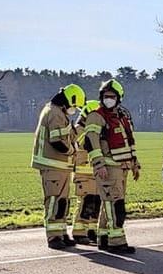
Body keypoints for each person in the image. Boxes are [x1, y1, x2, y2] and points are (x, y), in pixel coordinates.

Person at [83, 78, 139, 253]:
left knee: (110, 203)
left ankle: (104, 237)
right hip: (107, 167)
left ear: (119, 98)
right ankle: (117, 242)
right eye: (106, 96)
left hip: (122, 168)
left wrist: (135, 163)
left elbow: (129, 142)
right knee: (115, 205)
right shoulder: (96, 116)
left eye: (112, 96)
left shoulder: (121, 117)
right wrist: (99, 165)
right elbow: (90, 142)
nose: (109, 99)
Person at [32, 84, 86, 249]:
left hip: (60, 166)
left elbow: (68, 134)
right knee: (55, 201)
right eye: (74, 105)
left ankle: (61, 232)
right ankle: (53, 237)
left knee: (62, 202)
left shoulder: (58, 112)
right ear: (69, 101)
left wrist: (81, 123)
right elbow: (58, 141)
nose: (74, 109)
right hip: (53, 164)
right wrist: (73, 150)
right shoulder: (55, 113)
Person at [71, 99, 101, 245]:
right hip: (84, 174)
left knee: (96, 202)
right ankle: (78, 232)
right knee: (85, 202)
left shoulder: (91, 129)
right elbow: (86, 143)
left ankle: (91, 230)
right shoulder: (79, 130)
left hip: (94, 173)